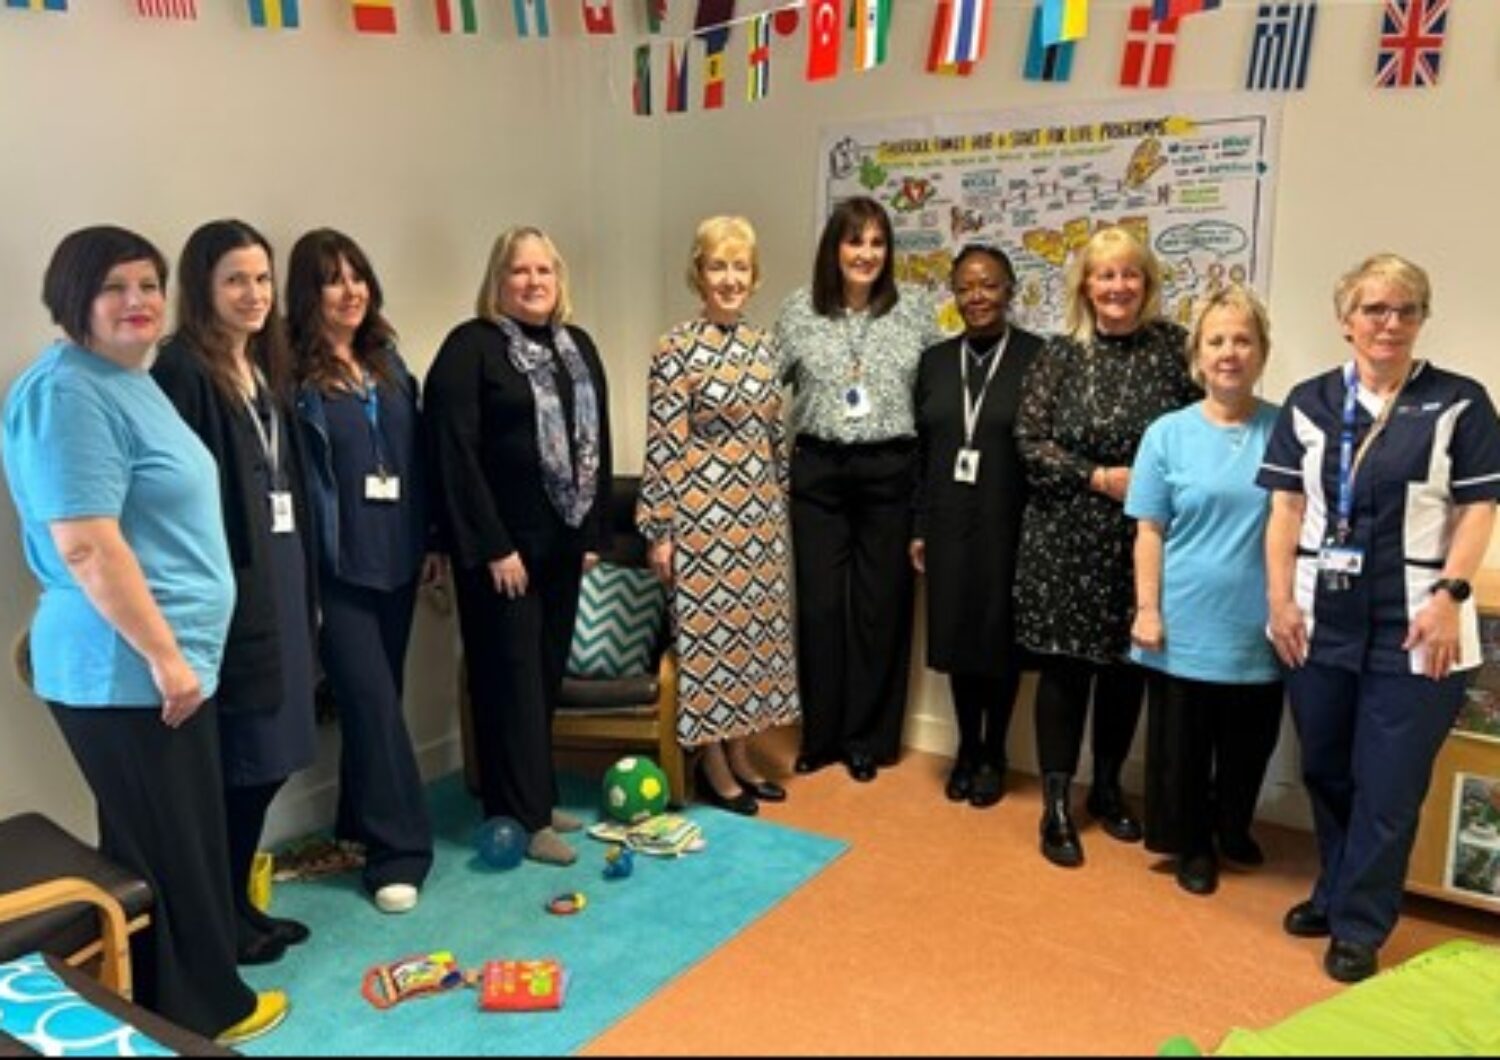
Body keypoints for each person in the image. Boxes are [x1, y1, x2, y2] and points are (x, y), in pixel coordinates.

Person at [1, 225, 284, 1044]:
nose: (137, 303)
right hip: (126, 667)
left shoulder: (128, 378)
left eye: (149, 285)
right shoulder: (66, 392)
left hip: (162, 662)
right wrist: (167, 659)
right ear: (73, 298)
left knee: (159, 840)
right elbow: (85, 542)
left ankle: (151, 997)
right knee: (176, 849)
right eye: (114, 288)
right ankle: (207, 1014)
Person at [1258, 253, 1500, 983]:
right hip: (1317, 617)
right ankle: (1333, 891)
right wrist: (1277, 599)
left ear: (1422, 319)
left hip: (1420, 623)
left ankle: (1362, 924)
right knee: (1328, 769)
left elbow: (1477, 507)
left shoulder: (1460, 402)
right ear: (1346, 321)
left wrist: (1450, 597)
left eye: (1405, 309)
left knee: (1388, 782)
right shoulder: (1307, 402)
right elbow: (1285, 509)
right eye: (1374, 309)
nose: (1389, 322)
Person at [152, 220, 318, 966]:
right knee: (243, 759)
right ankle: (221, 917)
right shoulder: (183, 372)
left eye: (261, 279)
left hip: (281, 576)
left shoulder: (262, 365)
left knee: (276, 749)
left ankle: (239, 904)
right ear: (202, 289)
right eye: (235, 281)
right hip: (232, 588)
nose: (253, 295)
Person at [426, 226, 612, 866]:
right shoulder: (470, 349)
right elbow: (454, 456)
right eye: (519, 272)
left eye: (544, 271)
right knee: (508, 681)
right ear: (497, 281)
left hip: (563, 548)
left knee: (543, 677)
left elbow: (597, 444)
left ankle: (533, 797)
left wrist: (590, 536)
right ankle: (523, 817)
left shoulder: (575, 347)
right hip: (502, 555)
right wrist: (493, 546)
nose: (533, 282)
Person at [1014, 225, 1199, 868]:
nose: (1117, 286)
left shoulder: (1177, 351)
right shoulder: (1059, 355)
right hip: (1063, 536)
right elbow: (1029, 442)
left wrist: (1146, 488)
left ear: (1145, 284)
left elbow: (1202, 431)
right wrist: (1098, 477)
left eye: (1129, 275)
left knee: (1126, 671)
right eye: (1104, 275)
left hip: (1143, 540)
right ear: (1085, 286)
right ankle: (1057, 804)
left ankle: (1110, 789)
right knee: (1066, 673)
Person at [287, 229, 436, 914]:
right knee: (373, 707)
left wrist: (432, 538)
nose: (350, 291)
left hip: (398, 557)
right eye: (332, 279)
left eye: (358, 276)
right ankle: (398, 853)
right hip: (338, 569)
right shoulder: (293, 379)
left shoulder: (388, 363)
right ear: (307, 292)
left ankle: (353, 823)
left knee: (375, 706)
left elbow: (416, 455)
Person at [774, 196, 943, 783]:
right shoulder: (798, 311)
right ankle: (821, 735)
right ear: (834, 248)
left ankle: (868, 738)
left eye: (877, 243)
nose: (866, 254)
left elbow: (934, 404)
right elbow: (767, 397)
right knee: (820, 608)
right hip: (817, 470)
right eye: (855, 241)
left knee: (882, 610)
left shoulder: (916, 311)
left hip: (890, 472)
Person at [638, 216, 800, 816]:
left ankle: (740, 752)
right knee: (709, 642)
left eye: (739, 267)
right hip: (702, 522)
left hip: (757, 519)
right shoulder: (675, 348)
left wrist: (780, 502)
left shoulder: (764, 348)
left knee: (751, 643)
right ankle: (710, 760)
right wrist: (660, 531)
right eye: (717, 267)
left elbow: (773, 436)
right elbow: (663, 442)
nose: (729, 279)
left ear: (753, 277)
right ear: (698, 274)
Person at [1127, 285, 1284, 896]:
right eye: (1216, 340)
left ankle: (1231, 826)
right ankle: (1191, 842)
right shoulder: (1166, 434)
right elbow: (1149, 530)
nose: (1229, 352)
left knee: (1249, 744)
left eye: (1243, 340)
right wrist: (1147, 608)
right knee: (1183, 748)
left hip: (1260, 622)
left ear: (1261, 352)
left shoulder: (1287, 431)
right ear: (1197, 356)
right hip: (1183, 620)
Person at [910, 244, 1042, 808]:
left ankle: (995, 752)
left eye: (988, 285)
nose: (977, 296)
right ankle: (966, 747)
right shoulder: (936, 362)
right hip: (947, 521)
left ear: (1009, 290)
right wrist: (918, 526)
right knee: (958, 637)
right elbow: (922, 450)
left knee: (1000, 640)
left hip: (1009, 520)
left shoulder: (1039, 357)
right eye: (965, 287)